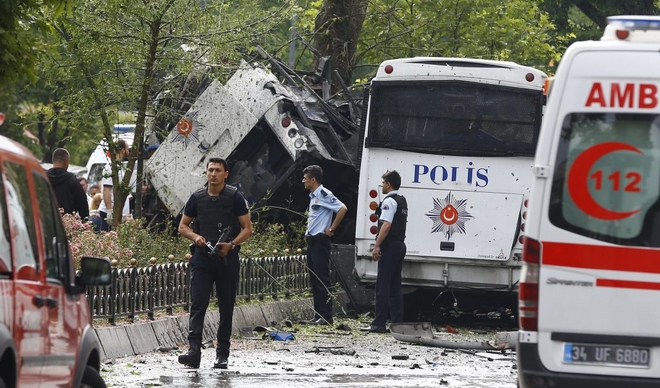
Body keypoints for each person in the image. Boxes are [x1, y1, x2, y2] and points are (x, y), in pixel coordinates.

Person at [177, 157, 253, 369]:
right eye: (210, 170)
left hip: (227, 259)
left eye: (218, 170)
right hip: (202, 257)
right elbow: (183, 226)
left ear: (225, 174)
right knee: (198, 303)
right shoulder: (196, 197)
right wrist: (195, 237)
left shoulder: (235, 197)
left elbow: (247, 228)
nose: (213, 174)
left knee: (226, 306)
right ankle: (194, 352)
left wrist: (232, 244)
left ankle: (222, 354)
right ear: (206, 172)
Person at [361, 170, 408, 333]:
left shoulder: (389, 202)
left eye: (383, 183)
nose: (382, 186)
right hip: (400, 245)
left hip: (390, 246)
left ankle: (378, 323)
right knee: (395, 286)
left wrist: (377, 245)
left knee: (382, 285)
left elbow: (386, 225)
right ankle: (397, 324)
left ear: (388, 184)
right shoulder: (402, 201)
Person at [302, 165, 348, 325]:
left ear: (313, 180)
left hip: (320, 241)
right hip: (312, 241)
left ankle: (327, 316)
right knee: (314, 280)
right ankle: (318, 314)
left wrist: (332, 228)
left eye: (305, 178)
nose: (303, 181)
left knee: (322, 279)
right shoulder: (313, 195)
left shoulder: (324, 194)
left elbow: (342, 208)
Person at [95, 140, 130, 231]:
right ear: (122, 150)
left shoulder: (118, 166)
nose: (128, 150)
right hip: (109, 213)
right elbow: (106, 190)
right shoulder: (110, 167)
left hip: (117, 212)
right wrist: (110, 211)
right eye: (127, 148)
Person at [47, 148, 90, 220]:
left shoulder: (43, 178)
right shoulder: (71, 179)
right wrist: (84, 220)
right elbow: (82, 203)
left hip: (47, 222)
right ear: (66, 161)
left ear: (53, 161)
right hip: (67, 224)